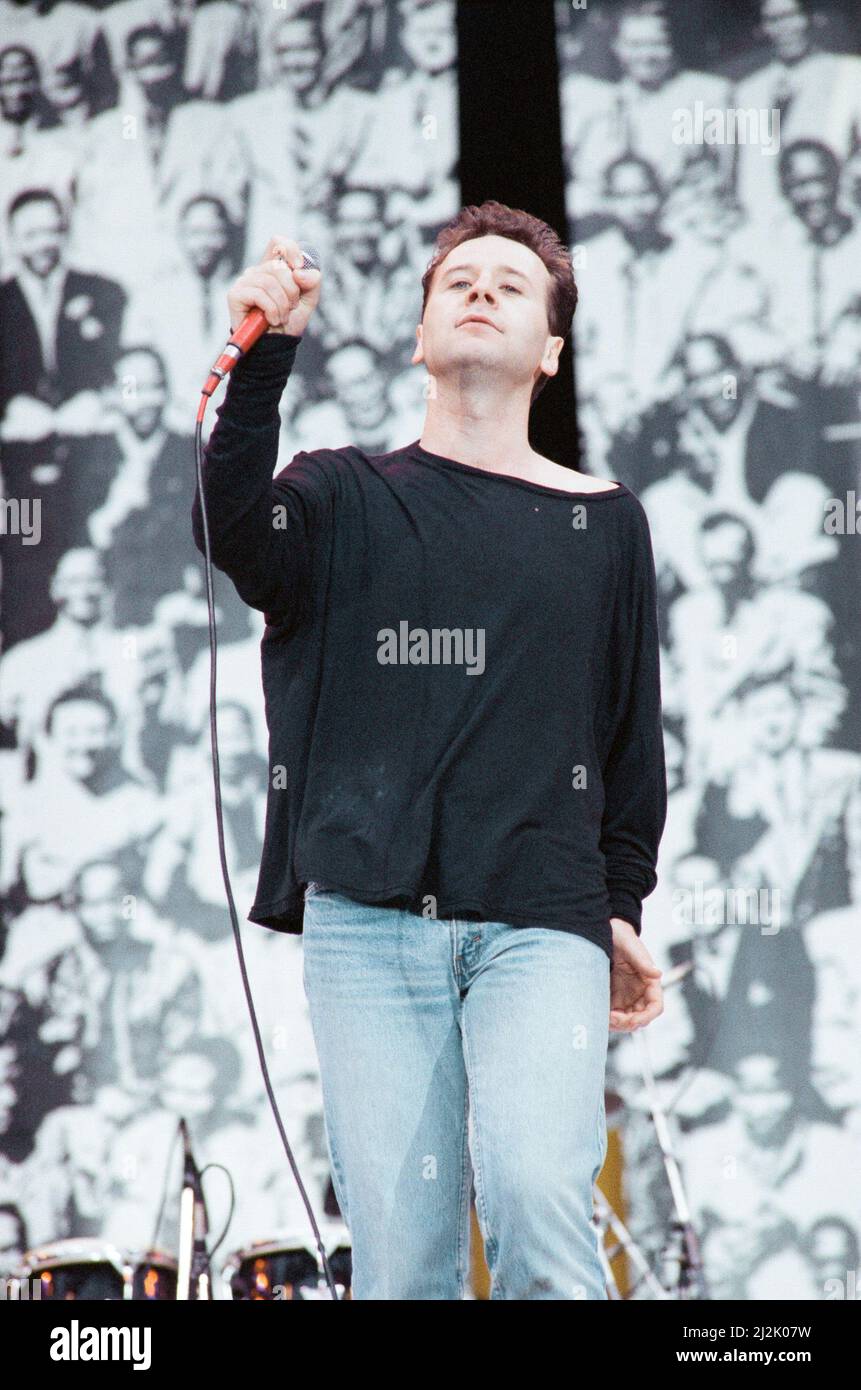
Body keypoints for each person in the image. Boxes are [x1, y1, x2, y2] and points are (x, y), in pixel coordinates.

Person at [192, 201, 668, 1300]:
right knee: (402, 1265)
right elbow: (231, 534)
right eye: (457, 279)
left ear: (551, 347)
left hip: (541, 921)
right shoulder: (339, 489)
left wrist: (623, 902)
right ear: (418, 337)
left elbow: (627, 733)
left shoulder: (605, 518)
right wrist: (271, 355)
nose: (482, 288)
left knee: (541, 1209)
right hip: (369, 922)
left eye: (512, 281)